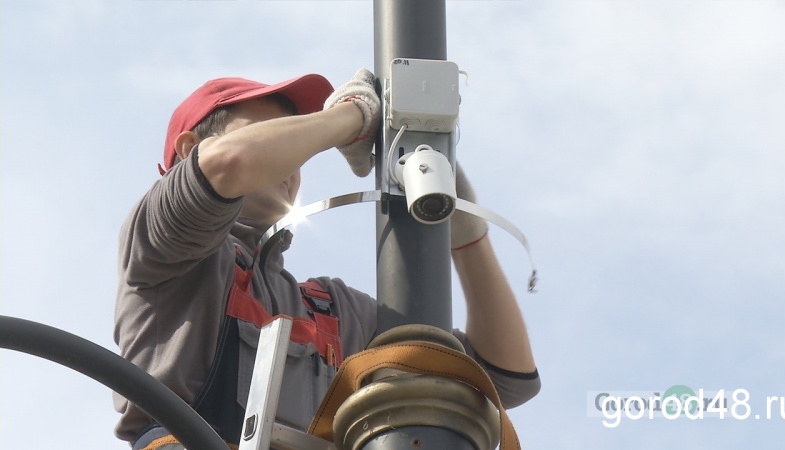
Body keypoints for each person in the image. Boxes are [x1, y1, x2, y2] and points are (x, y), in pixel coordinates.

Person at [114, 69, 540, 450]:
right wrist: (352, 118)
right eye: (278, 132)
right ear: (191, 148)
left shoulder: (331, 310)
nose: (295, 158)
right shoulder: (163, 242)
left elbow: (502, 376)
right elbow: (230, 163)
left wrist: (465, 234)